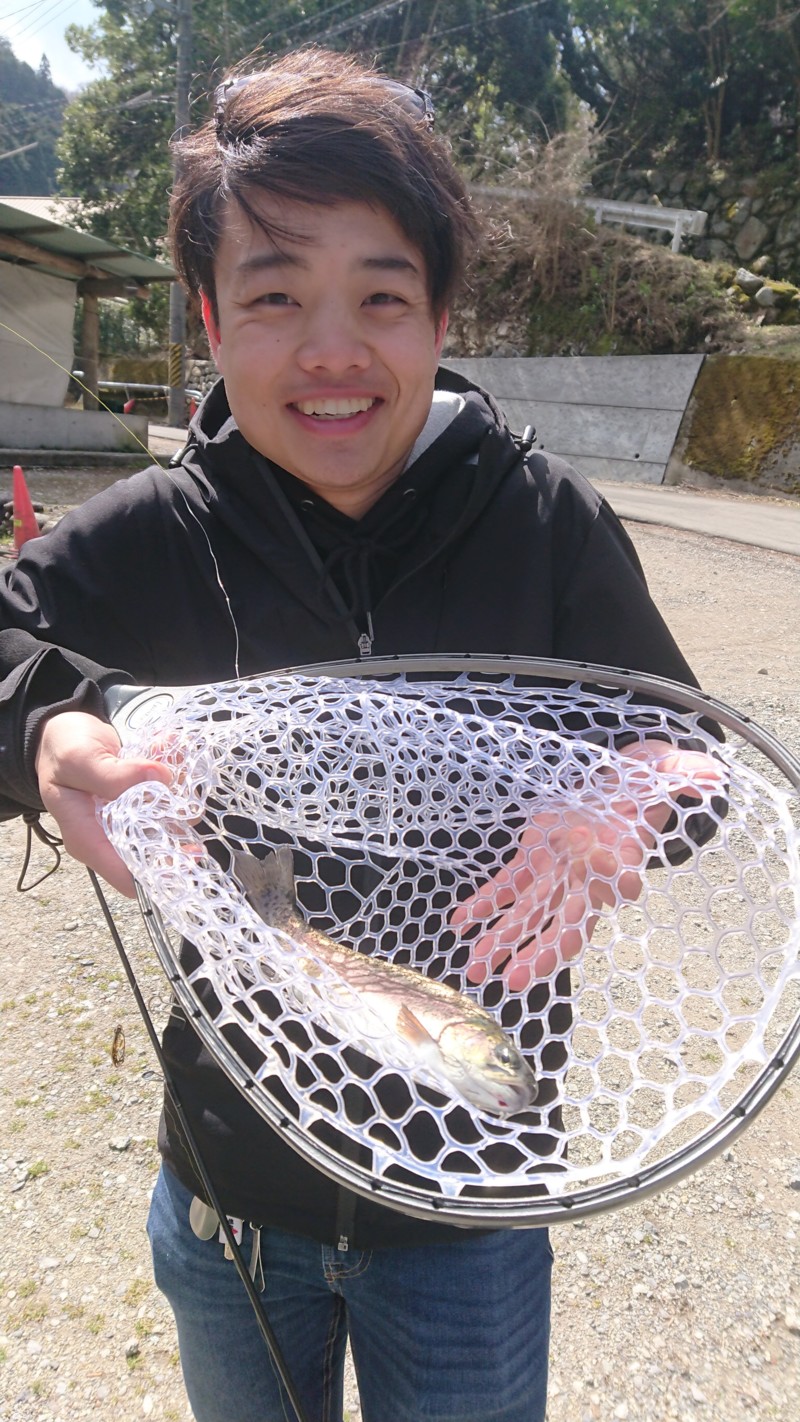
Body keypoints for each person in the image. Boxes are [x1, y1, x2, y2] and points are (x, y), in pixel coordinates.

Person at [0, 48, 719, 1422]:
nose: (332, 351)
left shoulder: (545, 521)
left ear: (442, 314)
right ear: (209, 318)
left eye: (382, 296)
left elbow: (684, 747)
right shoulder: (153, 534)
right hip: (230, 1184)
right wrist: (46, 730)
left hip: (472, 1208)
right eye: (275, 296)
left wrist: (640, 798)